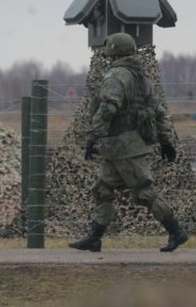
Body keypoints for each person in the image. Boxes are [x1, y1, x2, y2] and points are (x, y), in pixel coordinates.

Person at [69, 32, 189, 253]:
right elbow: (158, 111)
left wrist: (92, 136)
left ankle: (176, 230)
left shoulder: (115, 76)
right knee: (102, 189)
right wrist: (165, 141)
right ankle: (94, 238)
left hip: (123, 147)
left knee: (143, 191)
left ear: (113, 53)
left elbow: (107, 108)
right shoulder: (142, 78)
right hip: (122, 147)